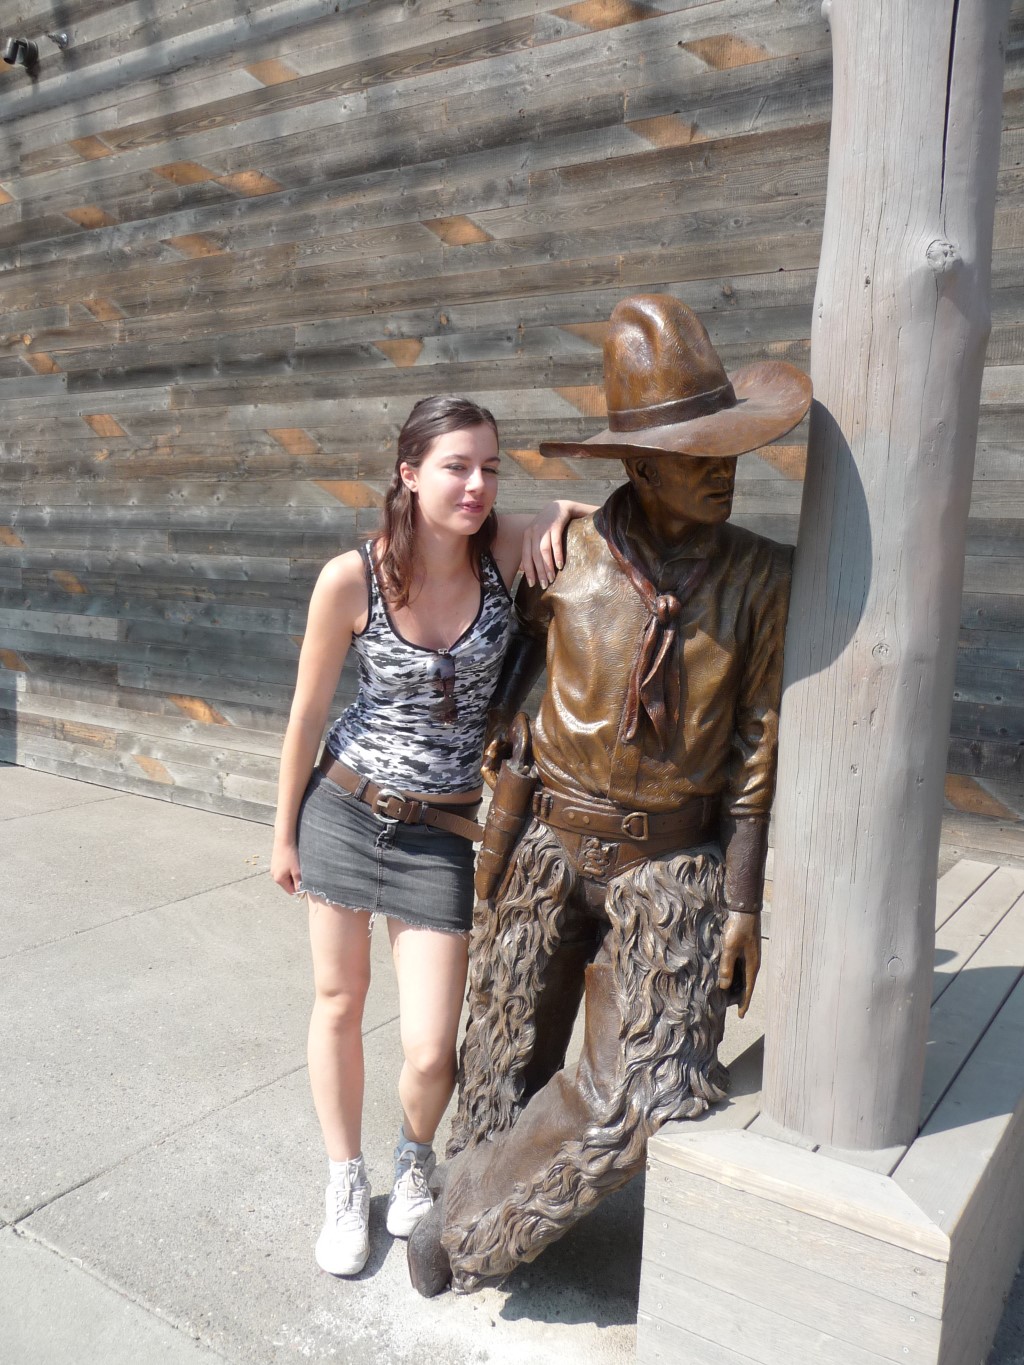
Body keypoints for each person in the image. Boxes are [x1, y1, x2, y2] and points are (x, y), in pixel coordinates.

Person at [407, 294, 813, 1296]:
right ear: (638, 466)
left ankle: (464, 1226)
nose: (722, 471)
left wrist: (742, 898)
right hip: (548, 840)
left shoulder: (763, 579)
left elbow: (759, 743)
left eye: (727, 451)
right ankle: (474, 1175)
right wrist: (499, 780)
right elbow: (515, 671)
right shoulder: (565, 557)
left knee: (645, 1080)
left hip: (669, 862)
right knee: (501, 1043)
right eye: (694, 456)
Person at [270, 394, 593, 1278]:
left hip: (442, 833)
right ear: (409, 474)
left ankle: (414, 1155)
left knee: (429, 1048)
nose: (477, 484)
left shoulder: (506, 549)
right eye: (456, 466)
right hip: (344, 807)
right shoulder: (352, 578)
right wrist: (282, 831)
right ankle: (345, 1179)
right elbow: (306, 715)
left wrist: (560, 509)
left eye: (491, 467)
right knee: (339, 1001)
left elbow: (621, 523)